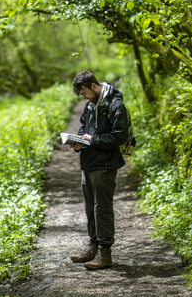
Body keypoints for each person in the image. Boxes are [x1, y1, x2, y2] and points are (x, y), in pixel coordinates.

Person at [69, 70, 129, 270]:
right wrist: (78, 141)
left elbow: (119, 136)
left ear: (93, 86)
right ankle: (93, 246)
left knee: (102, 209)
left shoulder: (116, 105)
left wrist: (92, 139)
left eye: (84, 92)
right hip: (88, 162)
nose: (84, 97)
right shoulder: (89, 105)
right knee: (89, 207)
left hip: (105, 165)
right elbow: (84, 127)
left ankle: (105, 253)